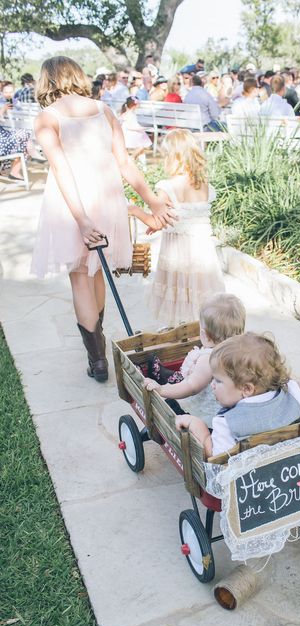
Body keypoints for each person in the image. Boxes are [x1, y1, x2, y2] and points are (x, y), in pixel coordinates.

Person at [31, 56, 174, 383]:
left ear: (47, 80)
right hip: (108, 200)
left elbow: (61, 169)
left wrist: (80, 219)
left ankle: (97, 360)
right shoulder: (104, 111)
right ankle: (99, 346)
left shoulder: (46, 118)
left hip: (73, 204)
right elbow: (124, 163)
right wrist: (151, 201)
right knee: (98, 272)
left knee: (80, 275)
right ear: (76, 75)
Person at [175, 332, 300, 457]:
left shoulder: (227, 423)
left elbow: (216, 455)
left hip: (251, 484)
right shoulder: (293, 395)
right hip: (289, 464)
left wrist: (197, 425)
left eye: (218, 380)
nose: (212, 384)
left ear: (247, 389)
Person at [129, 129, 225, 327]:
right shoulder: (204, 185)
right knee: (199, 293)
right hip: (202, 251)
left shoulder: (168, 186)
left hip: (179, 253)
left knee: (181, 292)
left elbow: (157, 222)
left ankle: (181, 333)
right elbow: (185, 216)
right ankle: (202, 331)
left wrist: (135, 210)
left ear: (174, 157)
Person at [143, 293, 246, 426]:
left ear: (204, 335)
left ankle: (163, 381)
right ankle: (166, 375)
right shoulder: (243, 351)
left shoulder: (209, 359)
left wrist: (162, 390)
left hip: (202, 413)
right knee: (181, 380)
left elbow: (191, 387)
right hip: (229, 409)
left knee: (168, 405)